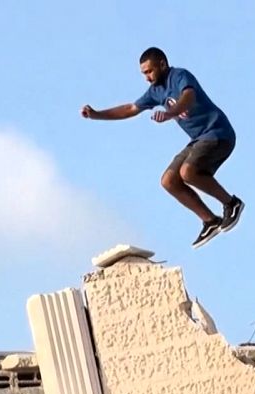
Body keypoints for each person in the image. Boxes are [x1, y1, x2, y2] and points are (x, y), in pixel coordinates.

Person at [81, 47, 244, 249]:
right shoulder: (155, 92)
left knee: (187, 172)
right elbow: (131, 108)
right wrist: (97, 114)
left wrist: (170, 113)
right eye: (144, 74)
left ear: (162, 65)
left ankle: (231, 203)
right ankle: (210, 221)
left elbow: (188, 97)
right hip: (198, 139)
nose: (147, 78)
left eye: (149, 72)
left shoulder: (179, 76)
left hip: (219, 133)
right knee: (168, 181)